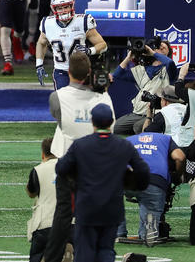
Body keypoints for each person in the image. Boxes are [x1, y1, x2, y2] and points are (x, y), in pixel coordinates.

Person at [43, 51, 115, 262]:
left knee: (63, 214)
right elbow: (111, 125)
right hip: (96, 166)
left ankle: (53, 256)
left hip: (69, 162)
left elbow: (59, 117)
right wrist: (102, 90)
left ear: (68, 71)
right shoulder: (104, 97)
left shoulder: (57, 96)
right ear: (90, 72)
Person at [55, 103, 150, 262]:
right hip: (112, 207)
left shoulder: (81, 145)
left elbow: (61, 168)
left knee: (84, 251)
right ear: (112, 121)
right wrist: (134, 184)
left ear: (92, 122)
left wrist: (75, 177)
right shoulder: (123, 145)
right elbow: (143, 171)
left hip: (87, 206)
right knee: (106, 250)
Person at [119, 131, 185, 245]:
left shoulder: (129, 139)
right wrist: (177, 176)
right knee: (148, 233)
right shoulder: (165, 139)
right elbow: (180, 157)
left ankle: (117, 233)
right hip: (154, 180)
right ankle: (146, 235)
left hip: (127, 178)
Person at [35, 0, 106, 89]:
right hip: (61, 72)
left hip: (81, 70)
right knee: (63, 102)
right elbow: (41, 43)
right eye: (60, 8)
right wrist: (39, 65)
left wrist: (90, 51)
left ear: (71, 6)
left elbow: (103, 45)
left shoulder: (83, 21)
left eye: (66, 6)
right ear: (54, 9)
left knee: (82, 102)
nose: (63, 10)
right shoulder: (47, 23)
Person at [112, 38, 177, 135]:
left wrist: (153, 53)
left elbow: (170, 63)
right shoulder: (141, 69)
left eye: (163, 48)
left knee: (138, 127)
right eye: (158, 47)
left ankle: (148, 131)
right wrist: (128, 58)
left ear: (168, 54)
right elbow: (117, 74)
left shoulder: (169, 70)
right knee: (115, 128)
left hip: (156, 112)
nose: (159, 49)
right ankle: (147, 131)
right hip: (138, 112)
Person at [26, 138, 58, 262]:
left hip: (45, 224)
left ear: (43, 154)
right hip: (71, 224)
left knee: (37, 256)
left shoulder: (38, 170)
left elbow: (31, 193)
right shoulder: (73, 168)